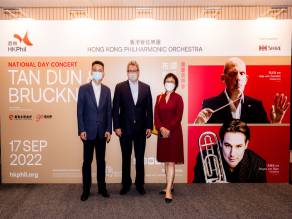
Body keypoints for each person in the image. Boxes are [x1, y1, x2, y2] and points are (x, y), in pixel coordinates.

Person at [195, 57, 290, 124]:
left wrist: (276, 122)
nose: (238, 78)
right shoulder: (210, 105)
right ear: (223, 78)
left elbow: (266, 137)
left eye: (242, 73)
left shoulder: (256, 106)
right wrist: (198, 124)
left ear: (246, 79)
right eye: (233, 73)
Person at [113, 60, 153, 195]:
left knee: (140, 158)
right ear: (127, 72)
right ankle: (126, 184)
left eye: (134, 71)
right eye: (130, 71)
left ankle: (140, 184)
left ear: (138, 72)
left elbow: (149, 109)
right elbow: (115, 109)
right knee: (126, 158)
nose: (132, 73)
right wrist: (116, 126)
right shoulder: (120, 87)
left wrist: (149, 126)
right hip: (124, 130)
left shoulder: (146, 88)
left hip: (141, 130)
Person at [77, 60, 112, 201]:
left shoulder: (107, 90)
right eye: (95, 69)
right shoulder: (83, 89)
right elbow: (79, 111)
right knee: (87, 162)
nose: (98, 72)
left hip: (102, 132)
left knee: (101, 161)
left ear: (103, 73)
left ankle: (102, 188)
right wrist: (81, 129)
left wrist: (109, 129)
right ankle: (86, 190)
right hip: (88, 132)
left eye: (100, 70)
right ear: (91, 72)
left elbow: (109, 112)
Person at [193, 119, 266, 183]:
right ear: (221, 143)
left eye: (238, 146)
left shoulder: (258, 164)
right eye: (228, 145)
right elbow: (196, 193)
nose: (232, 154)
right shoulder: (205, 158)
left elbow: (259, 196)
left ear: (246, 144)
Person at [154, 73, 184, 203]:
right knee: (166, 161)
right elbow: (156, 115)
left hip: (174, 133)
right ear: (164, 82)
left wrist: (168, 129)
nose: (169, 82)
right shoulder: (159, 97)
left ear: (175, 84)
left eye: (172, 81)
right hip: (162, 133)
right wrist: (161, 128)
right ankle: (169, 185)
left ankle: (168, 192)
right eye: (167, 80)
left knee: (171, 161)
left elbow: (178, 117)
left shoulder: (178, 98)